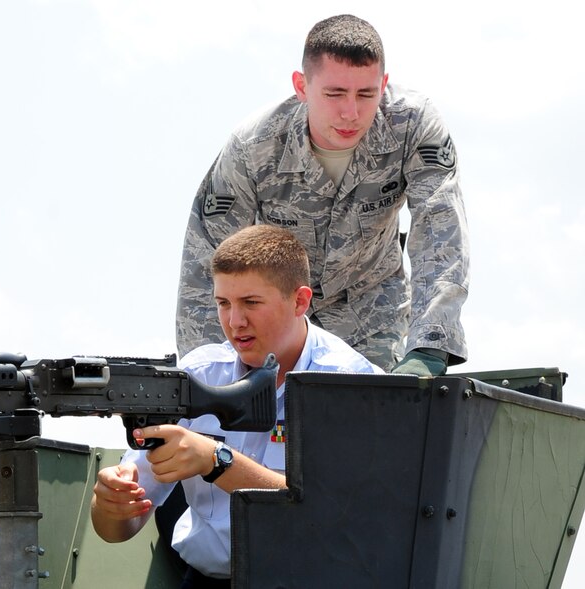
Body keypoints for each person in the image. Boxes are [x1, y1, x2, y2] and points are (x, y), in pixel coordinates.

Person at [176, 14, 470, 377]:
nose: (351, 112)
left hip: (371, 317)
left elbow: (440, 230)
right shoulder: (254, 146)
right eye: (334, 94)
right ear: (301, 86)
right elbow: (205, 259)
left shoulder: (412, 126)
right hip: (278, 323)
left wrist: (429, 344)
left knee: (367, 423)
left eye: (367, 94)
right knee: (259, 429)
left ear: (385, 84)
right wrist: (204, 373)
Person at [91, 225, 381, 587]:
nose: (234, 321)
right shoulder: (197, 375)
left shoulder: (351, 382)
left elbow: (332, 516)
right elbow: (118, 530)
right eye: (223, 303)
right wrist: (111, 504)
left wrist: (216, 461)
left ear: (300, 301)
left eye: (251, 302)